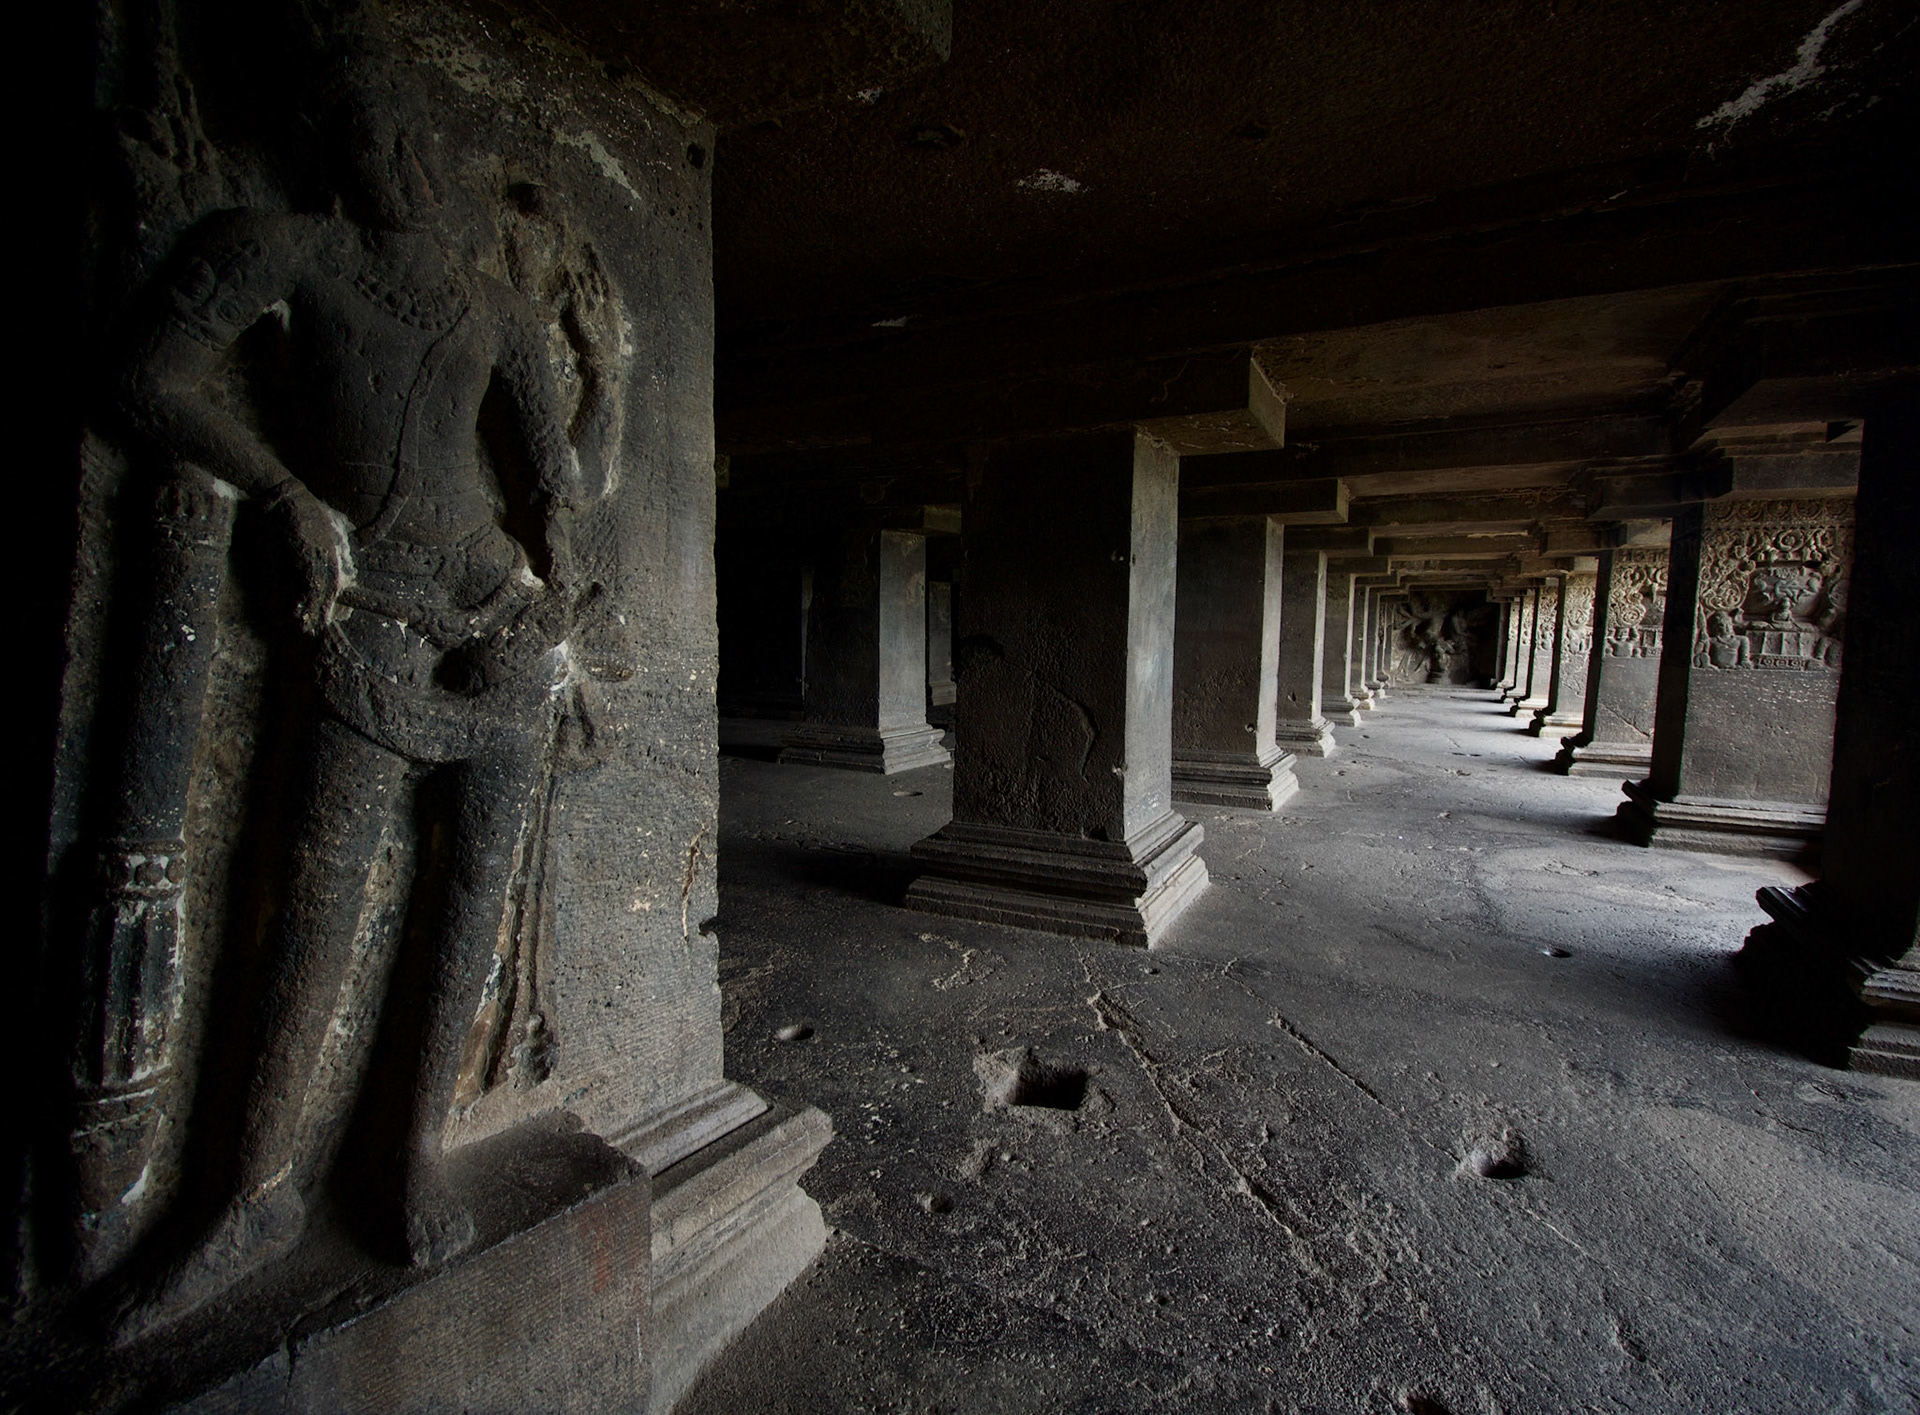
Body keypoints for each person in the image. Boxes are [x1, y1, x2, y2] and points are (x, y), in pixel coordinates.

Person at [117, 80, 619, 1319]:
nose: (405, 153)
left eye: (418, 133)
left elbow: (557, 489)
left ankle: (409, 1154)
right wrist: (284, 491)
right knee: (314, 896)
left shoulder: (494, 308)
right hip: (370, 606)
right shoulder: (292, 252)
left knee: (471, 896)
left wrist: (575, 546)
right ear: (334, 148)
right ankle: (248, 1191)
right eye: (376, 131)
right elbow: (145, 377)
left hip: (497, 608)